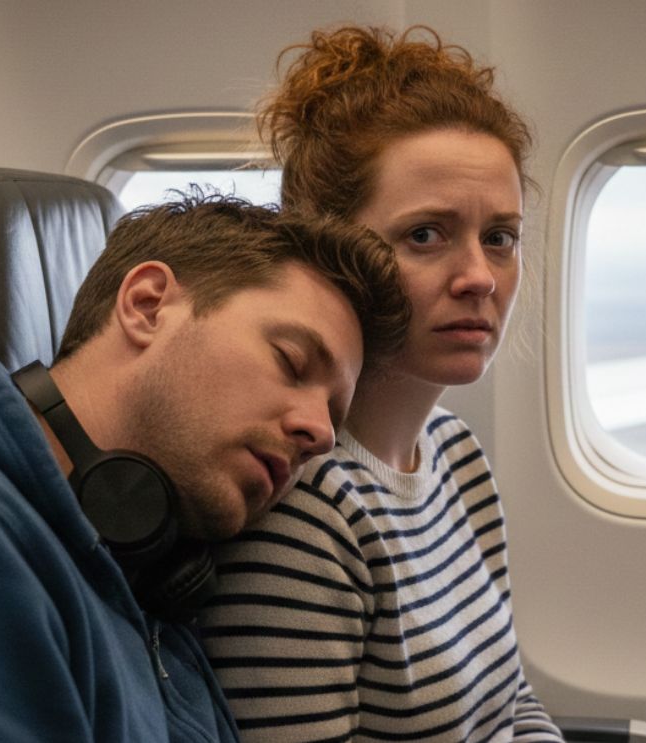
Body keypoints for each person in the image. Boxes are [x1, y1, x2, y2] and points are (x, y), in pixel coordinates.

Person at [0, 194, 409, 742]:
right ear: (148, 305)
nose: (320, 433)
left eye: (332, 411)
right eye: (292, 362)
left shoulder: (135, 560)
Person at [197, 26, 565, 742]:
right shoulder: (302, 512)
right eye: (425, 234)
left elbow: (512, 702)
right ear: (332, 251)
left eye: (499, 236)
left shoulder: (455, 454)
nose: (480, 277)